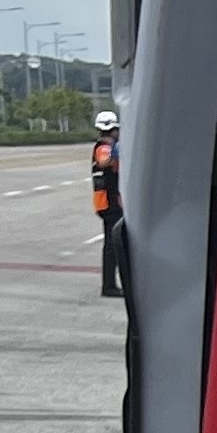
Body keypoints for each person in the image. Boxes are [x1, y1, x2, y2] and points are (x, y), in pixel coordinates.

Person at [89, 111, 123, 296]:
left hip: (108, 201)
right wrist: (117, 151)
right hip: (107, 203)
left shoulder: (106, 145)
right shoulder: (104, 146)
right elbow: (104, 162)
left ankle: (110, 284)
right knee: (111, 246)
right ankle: (108, 286)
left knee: (112, 244)